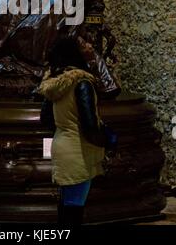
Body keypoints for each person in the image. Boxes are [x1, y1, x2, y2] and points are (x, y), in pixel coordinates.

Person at [39, 38, 117, 225]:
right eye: (83, 46)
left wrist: (65, 128)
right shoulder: (82, 84)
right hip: (78, 150)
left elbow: (46, 118)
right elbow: (89, 125)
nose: (89, 47)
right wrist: (108, 141)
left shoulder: (55, 84)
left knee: (66, 204)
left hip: (61, 145)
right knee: (75, 208)